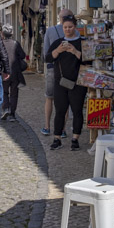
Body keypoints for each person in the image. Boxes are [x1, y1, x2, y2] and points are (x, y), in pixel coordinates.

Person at [45, 14, 90, 151]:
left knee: (77, 111)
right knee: (60, 110)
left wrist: (75, 51)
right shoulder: (58, 42)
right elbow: (47, 58)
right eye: (65, 27)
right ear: (62, 27)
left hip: (78, 82)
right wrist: (57, 51)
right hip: (61, 82)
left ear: (75, 27)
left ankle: (75, 138)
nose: (68, 30)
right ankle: (57, 138)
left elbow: (89, 60)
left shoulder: (82, 42)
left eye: (70, 27)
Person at [41, 8, 72, 136]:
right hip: (67, 70)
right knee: (65, 99)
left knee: (49, 98)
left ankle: (47, 127)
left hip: (52, 68)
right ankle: (63, 129)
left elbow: (46, 53)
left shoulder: (50, 31)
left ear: (59, 18)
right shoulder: (74, 31)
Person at [1, 25, 27, 122]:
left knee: (4, 92)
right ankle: (12, 114)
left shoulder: (0, 44)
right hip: (15, 72)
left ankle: (5, 109)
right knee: (14, 93)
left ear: (2, 33)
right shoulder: (16, 43)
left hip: (3, 72)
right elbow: (23, 55)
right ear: (12, 33)